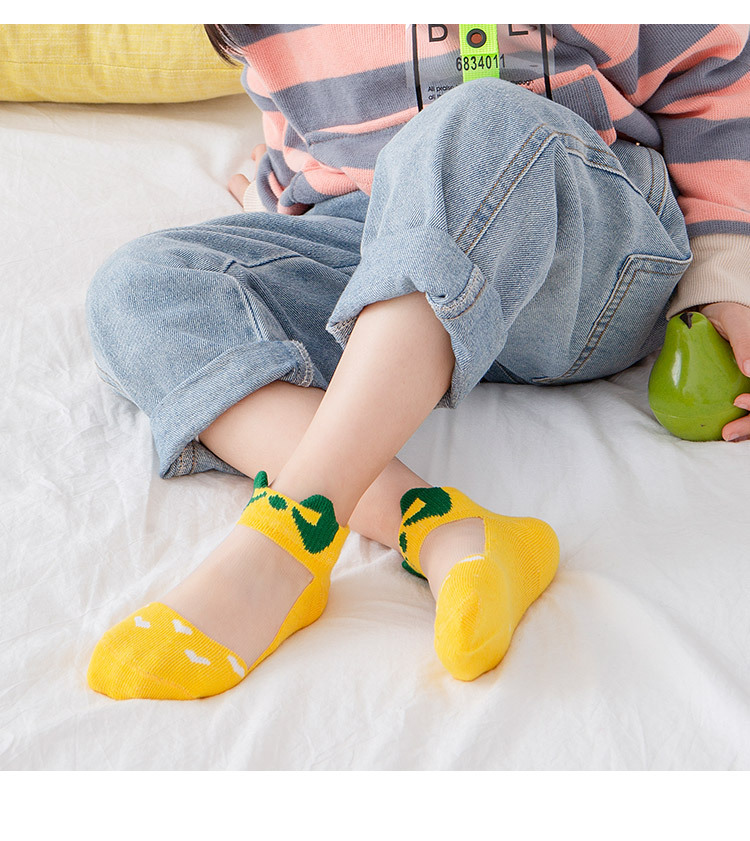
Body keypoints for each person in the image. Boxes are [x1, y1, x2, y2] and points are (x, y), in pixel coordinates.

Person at [84, 24, 750, 700]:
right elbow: (312, 127)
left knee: (478, 115)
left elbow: (717, 76)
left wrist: (726, 274)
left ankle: (288, 534)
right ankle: (440, 528)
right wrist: (277, 217)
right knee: (140, 288)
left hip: (576, 261)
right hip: (382, 260)